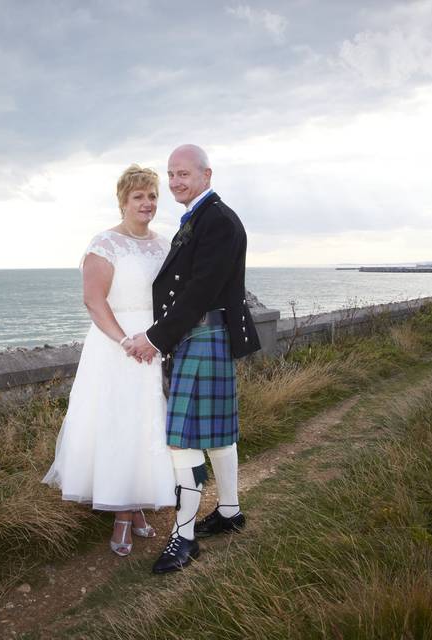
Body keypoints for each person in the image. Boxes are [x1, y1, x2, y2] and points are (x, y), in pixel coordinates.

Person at [127, 144, 261, 574]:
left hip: (202, 334)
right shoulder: (201, 217)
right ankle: (229, 511)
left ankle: (183, 539)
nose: (175, 182)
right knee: (218, 435)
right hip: (203, 335)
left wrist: (156, 337)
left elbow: (201, 289)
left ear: (207, 174)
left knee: (181, 438)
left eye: (183, 173)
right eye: (171, 174)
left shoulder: (217, 220)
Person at [43, 164, 176, 556]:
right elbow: (94, 300)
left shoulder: (164, 246)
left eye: (152, 196)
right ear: (123, 201)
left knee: (145, 424)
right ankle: (122, 513)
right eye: (139, 196)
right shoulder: (104, 244)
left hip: (151, 345)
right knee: (119, 423)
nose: (147, 203)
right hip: (115, 346)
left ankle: (134, 506)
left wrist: (156, 339)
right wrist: (124, 342)